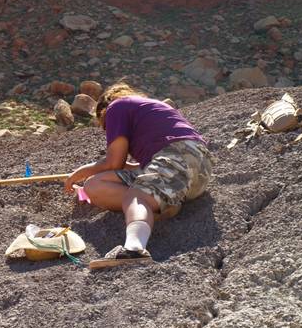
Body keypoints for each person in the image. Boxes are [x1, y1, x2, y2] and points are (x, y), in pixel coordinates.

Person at [64, 82, 213, 268]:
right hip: (197, 170)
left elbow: (113, 163)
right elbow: (133, 165)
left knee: (137, 196)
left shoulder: (115, 107)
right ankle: (161, 204)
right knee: (94, 185)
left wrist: (80, 172)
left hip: (177, 156)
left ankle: (134, 248)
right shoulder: (149, 108)